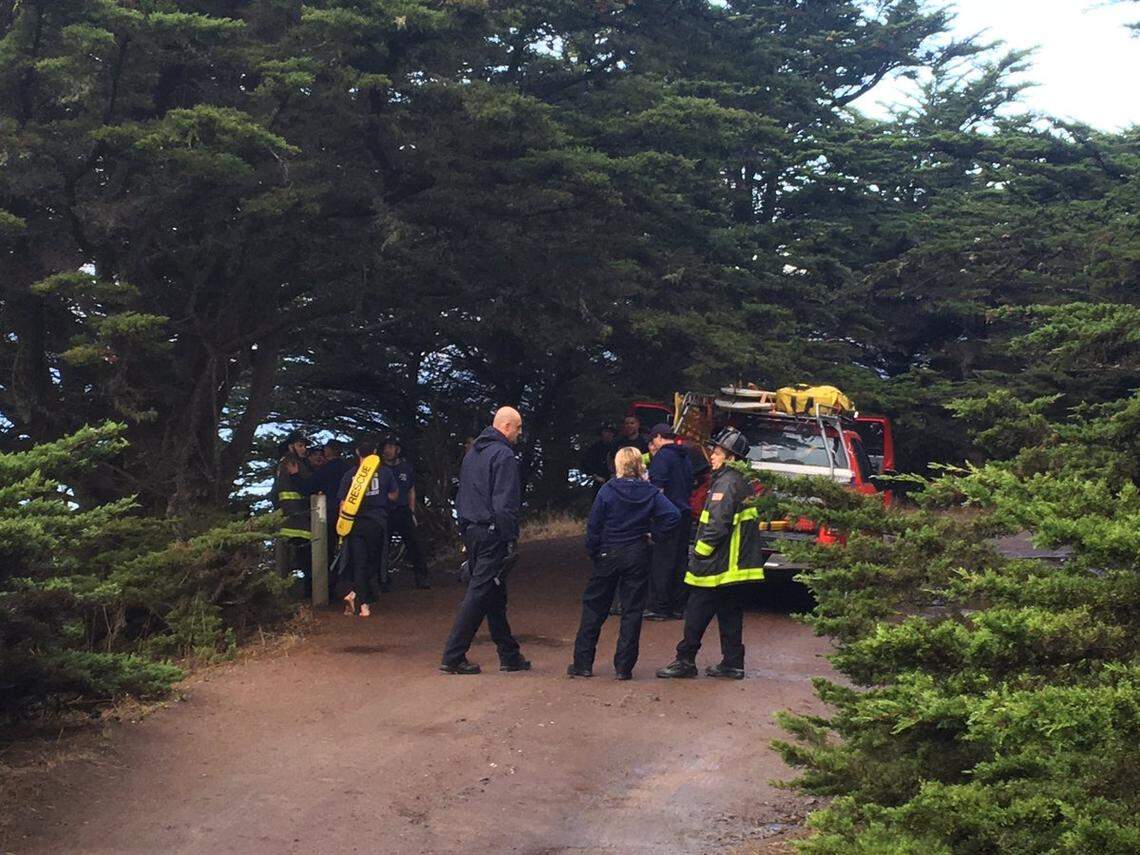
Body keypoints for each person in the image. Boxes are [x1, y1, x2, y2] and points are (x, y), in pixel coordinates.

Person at [656, 427, 767, 680]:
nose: (712, 456)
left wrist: (698, 553)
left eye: (717, 452)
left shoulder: (726, 484)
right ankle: (732, 663)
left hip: (718, 565)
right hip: (735, 567)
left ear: (731, 457)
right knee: (730, 615)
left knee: (695, 613)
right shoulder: (740, 481)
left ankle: (685, 661)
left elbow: (716, 526)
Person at [568, 447, 680, 680]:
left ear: (618, 466)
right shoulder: (649, 492)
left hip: (608, 552)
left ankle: (582, 663)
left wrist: (594, 552)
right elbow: (673, 515)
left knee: (594, 608)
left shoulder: (608, 490)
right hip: (637, 553)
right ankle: (623, 667)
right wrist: (654, 535)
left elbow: (594, 525)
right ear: (639, 465)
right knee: (632, 611)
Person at [440, 407, 531, 675]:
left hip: (472, 529)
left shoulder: (472, 455)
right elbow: (505, 502)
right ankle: (453, 655)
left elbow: (462, 495)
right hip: (492, 532)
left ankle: (509, 654)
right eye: (518, 428)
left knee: (494, 592)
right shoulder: (503, 455)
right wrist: (510, 536)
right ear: (505, 426)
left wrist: (463, 529)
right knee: (480, 591)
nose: (520, 433)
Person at [334, 437, 398, 617]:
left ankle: (358, 599)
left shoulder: (349, 475)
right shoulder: (385, 472)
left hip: (354, 524)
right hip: (376, 522)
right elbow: (394, 495)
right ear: (375, 453)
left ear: (357, 453)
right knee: (373, 562)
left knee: (358, 563)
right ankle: (362, 600)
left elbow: (343, 503)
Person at [643, 424, 694, 621]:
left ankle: (659, 607)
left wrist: (651, 517)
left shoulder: (663, 457)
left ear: (657, 437)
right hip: (684, 513)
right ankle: (678, 606)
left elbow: (657, 489)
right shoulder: (685, 456)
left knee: (662, 561)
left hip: (667, 516)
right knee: (680, 561)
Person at [382, 435, 431, 590]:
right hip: (385, 511)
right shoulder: (380, 469)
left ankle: (421, 577)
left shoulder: (405, 468)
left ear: (398, 450)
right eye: (386, 447)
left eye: (390, 447)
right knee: (383, 546)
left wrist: (412, 512)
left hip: (403, 510)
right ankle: (383, 579)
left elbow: (411, 490)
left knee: (414, 544)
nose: (387, 450)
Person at [271, 452, 313, 597]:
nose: (304, 449)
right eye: (301, 445)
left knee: (285, 563)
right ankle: (309, 592)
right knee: (307, 561)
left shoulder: (279, 473)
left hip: (286, 523)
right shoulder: (300, 468)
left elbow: (274, 495)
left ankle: (283, 594)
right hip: (303, 524)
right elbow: (310, 489)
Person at [581, 424, 616, 489]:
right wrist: (594, 475)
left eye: (610, 432)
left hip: (615, 481)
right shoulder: (594, 448)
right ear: (602, 433)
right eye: (606, 432)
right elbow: (585, 463)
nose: (608, 434)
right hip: (599, 481)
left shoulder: (617, 447)